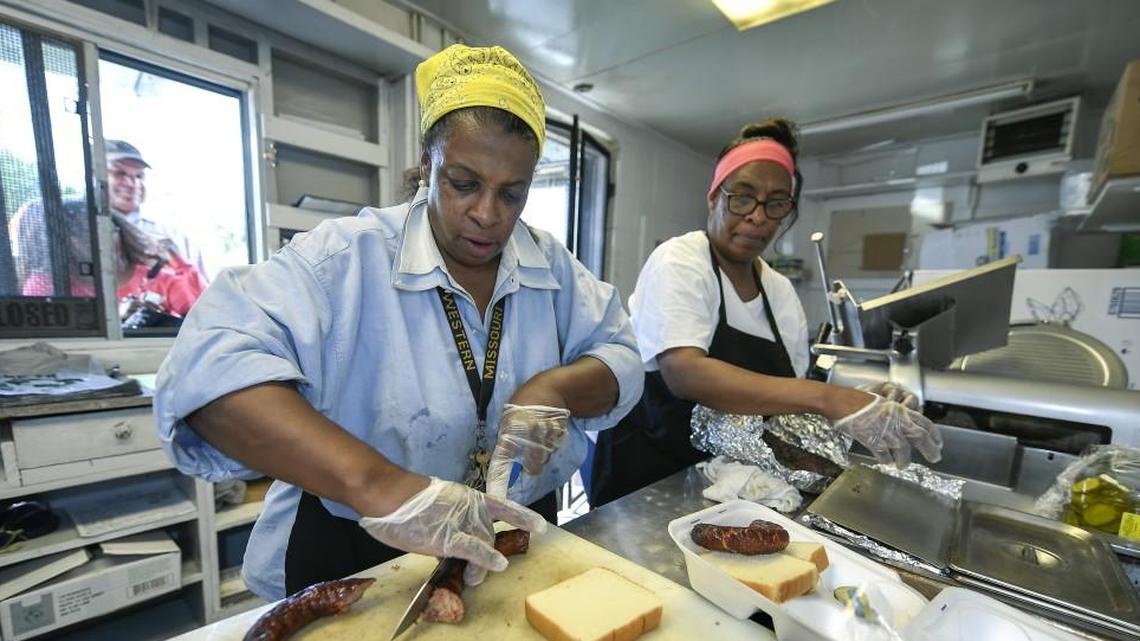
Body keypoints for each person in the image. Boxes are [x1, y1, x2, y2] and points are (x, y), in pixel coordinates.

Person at [154, 44, 642, 601]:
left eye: (513, 193)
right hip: (364, 542)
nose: (488, 214)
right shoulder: (344, 261)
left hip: (516, 530)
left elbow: (622, 355)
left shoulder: (550, 266)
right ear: (427, 163)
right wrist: (384, 486)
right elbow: (206, 371)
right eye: (463, 182)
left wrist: (554, 388)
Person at [589, 118, 942, 507]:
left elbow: (784, 400)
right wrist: (829, 398)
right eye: (742, 197)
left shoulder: (780, 291)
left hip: (735, 485)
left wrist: (856, 404)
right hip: (649, 479)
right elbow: (685, 373)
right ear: (714, 197)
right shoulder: (681, 259)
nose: (757, 216)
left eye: (776, 203)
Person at [20, 204, 206, 324]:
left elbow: (199, 324)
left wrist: (154, 319)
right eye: (83, 231)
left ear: (122, 234)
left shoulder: (162, 280)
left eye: (107, 229)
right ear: (65, 242)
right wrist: (115, 319)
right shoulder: (45, 285)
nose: (100, 239)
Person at [104, 140, 208, 281]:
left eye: (139, 176)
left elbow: (204, 296)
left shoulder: (173, 237)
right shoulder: (79, 237)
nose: (132, 183)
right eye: (119, 173)